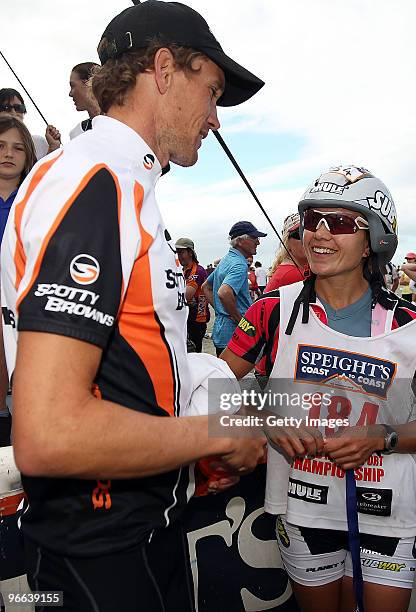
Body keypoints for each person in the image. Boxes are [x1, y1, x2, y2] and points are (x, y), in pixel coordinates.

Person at [1, 2, 265, 609]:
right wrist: (213, 434)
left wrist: (232, 413)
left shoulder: (116, 180)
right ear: (165, 68)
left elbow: (145, 360)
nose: (215, 119)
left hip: (133, 532)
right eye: (213, 91)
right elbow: (49, 431)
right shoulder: (98, 182)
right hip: (102, 551)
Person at [221, 165, 416, 612]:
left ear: (373, 240)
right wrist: (267, 418)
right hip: (304, 508)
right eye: (312, 221)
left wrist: (382, 437)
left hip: (387, 515)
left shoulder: (410, 324)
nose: (321, 233)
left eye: (342, 222)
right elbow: (212, 392)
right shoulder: (273, 310)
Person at [0, 116, 36, 446]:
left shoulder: (37, 201)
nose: (8, 154)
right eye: (0, 146)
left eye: (17, 147)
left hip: (22, 306)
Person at [202, 221, 266, 356]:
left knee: (224, 374)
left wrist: (221, 309)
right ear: (240, 241)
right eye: (254, 238)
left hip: (221, 331)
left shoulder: (226, 259)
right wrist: (239, 320)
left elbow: (206, 287)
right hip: (234, 335)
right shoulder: (239, 264)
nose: (258, 242)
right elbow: (224, 293)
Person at [0, 88, 60, 159]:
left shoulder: (38, 143)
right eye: (6, 108)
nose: (13, 113)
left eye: (18, 108)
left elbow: (47, 169)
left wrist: (53, 148)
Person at [175, 237, 209, 353]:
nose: (179, 256)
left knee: (194, 354)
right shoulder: (183, 271)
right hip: (187, 317)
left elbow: (185, 296)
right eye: (177, 253)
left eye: (181, 253)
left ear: (190, 252)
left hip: (197, 319)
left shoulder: (197, 270)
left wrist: (179, 297)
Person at [265, 213, 309, 292]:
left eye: (309, 233)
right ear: (287, 241)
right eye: (299, 234)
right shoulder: (292, 275)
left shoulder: (291, 268)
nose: (306, 239)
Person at [68, 62, 101, 139]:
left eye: (72, 86)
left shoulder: (122, 122)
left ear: (89, 83)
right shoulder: (76, 134)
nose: (70, 94)